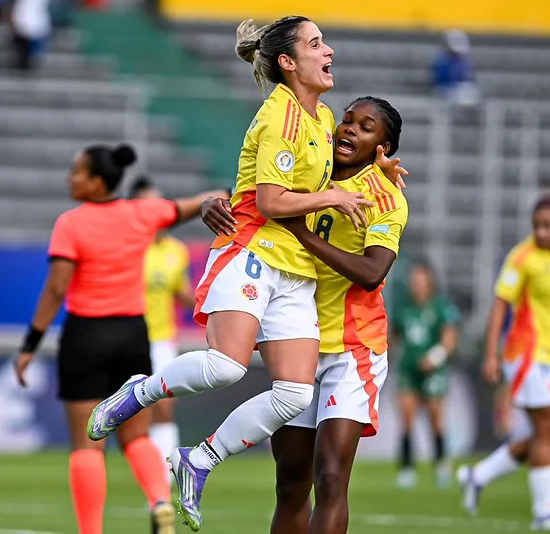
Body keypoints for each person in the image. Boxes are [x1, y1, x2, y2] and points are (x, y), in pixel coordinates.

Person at [85, 15, 407, 532]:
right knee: (226, 368)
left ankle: (199, 460)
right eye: (317, 43)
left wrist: (378, 170)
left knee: (295, 398)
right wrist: (330, 197)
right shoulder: (280, 115)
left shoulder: (324, 119)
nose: (329, 51)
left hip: (302, 279)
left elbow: (327, 170)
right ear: (289, 62)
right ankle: (139, 392)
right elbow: (272, 201)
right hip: (253, 248)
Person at [13, 143, 229, 534]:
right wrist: (226, 194)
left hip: (86, 334)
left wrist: (29, 345)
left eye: (77, 172)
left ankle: (91, 531)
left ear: (97, 182)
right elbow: (195, 203)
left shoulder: (71, 223)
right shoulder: (143, 213)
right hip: (132, 335)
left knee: (87, 445)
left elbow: (56, 289)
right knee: (137, 435)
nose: (70, 178)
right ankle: (159, 501)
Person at [266, 96, 407, 534]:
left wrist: (303, 234)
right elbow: (261, 189)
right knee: (291, 482)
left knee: (330, 479)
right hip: (299, 341)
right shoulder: (311, 174)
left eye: (365, 127)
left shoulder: (385, 198)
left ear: (383, 148)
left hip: (353, 348)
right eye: (347, 120)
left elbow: (371, 273)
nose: (349, 129)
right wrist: (212, 202)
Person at [456, 194, 550, 531]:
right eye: (536, 225)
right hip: (527, 354)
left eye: (548, 225)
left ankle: (478, 476)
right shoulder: (522, 257)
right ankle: (544, 513)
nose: (541, 231)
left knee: (546, 434)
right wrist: (491, 354)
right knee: (548, 427)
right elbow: (500, 306)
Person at [130, 176, 195, 479]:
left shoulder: (176, 250)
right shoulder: (127, 248)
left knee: (164, 407)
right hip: (128, 338)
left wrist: (207, 303)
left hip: (161, 339)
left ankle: (164, 475)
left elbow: (181, 291)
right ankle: (143, 469)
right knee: (134, 411)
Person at [392, 263, 460, 489]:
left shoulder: (441, 307)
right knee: (407, 417)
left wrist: (434, 358)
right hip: (408, 369)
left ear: (430, 283)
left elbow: (449, 339)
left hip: (433, 371)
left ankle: (441, 463)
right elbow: (393, 338)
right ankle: (407, 467)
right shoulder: (404, 308)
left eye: (421, 282)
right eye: (414, 282)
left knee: (435, 418)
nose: (417, 286)